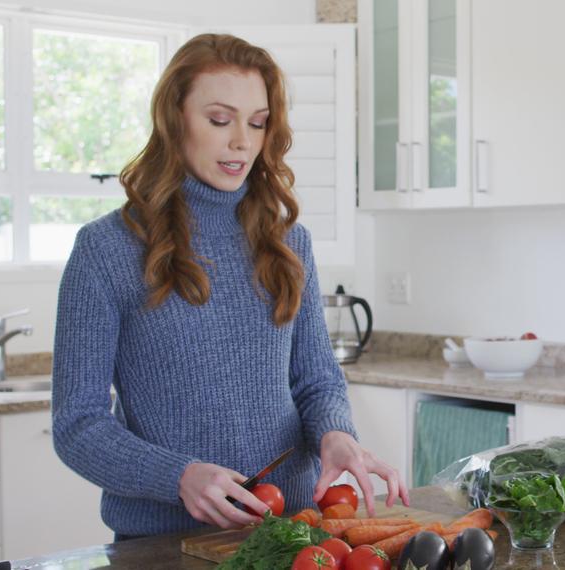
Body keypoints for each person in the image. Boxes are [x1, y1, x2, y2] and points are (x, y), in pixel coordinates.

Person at [51, 33, 408, 541]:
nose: (242, 140)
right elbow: (78, 425)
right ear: (175, 120)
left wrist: (335, 436)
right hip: (165, 546)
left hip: (294, 536)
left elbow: (316, 381)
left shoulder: (289, 242)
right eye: (219, 120)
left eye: (257, 122)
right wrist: (179, 477)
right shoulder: (106, 249)